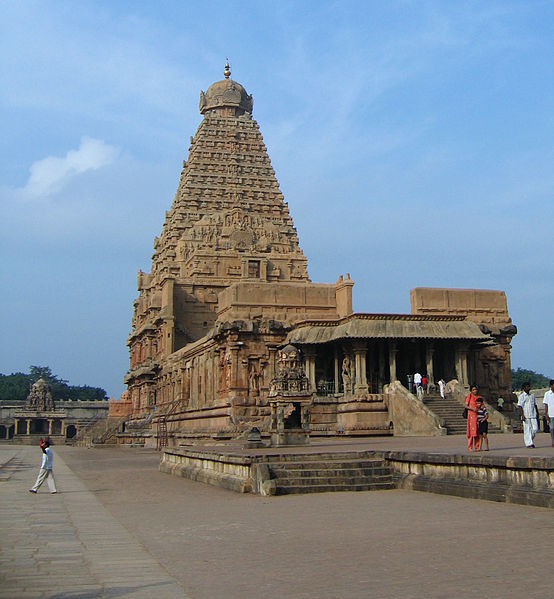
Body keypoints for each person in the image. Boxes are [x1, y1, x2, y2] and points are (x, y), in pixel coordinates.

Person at [517, 382, 538, 448]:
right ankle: (529, 443)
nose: (529, 388)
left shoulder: (532, 395)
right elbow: (520, 406)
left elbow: (535, 404)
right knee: (527, 429)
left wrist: (537, 413)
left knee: (535, 429)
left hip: (533, 414)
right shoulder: (522, 396)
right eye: (527, 387)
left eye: (529, 386)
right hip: (526, 415)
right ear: (524, 388)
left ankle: (530, 440)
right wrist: (522, 415)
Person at [465, 384, 481, 451]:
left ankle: (477, 446)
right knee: (471, 432)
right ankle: (470, 446)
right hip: (471, 415)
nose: (475, 391)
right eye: (473, 390)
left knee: (477, 431)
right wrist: (472, 408)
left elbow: (482, 405)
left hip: (478, 415)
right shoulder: (469, 396)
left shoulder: (479, 397)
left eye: (476, 389)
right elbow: (466, 406)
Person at [543, 379, 554, 447]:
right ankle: (553, 441)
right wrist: (546, 414)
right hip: (551, 414)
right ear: (551, 386)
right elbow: (546, 404)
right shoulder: (547, 394)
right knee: (552, 429)